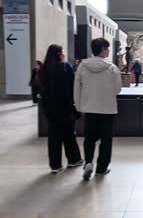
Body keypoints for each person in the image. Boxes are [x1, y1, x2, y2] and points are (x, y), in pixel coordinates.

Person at [74, 38, 122, 180]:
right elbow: (118, 89)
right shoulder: (112, 67)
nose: (108, 51)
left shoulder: (83, 66)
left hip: (89, 108)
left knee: (89, 138)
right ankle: (102, 168)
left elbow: (77, 88)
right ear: (102, 49)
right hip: (107, 109)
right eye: (107, 48)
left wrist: (79, 105)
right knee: (106, 140)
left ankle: (88, 162)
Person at [38, 45, 83, 174]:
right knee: (68, 134)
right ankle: (74, 160)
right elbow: (73, 87)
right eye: (63, 52)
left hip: (49, 108)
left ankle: (55, 165)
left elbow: (41, 89)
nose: (64, 54)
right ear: (58, 54)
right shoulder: (65, 67)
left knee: (53, 136)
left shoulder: (43, 70)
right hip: (65, 106)